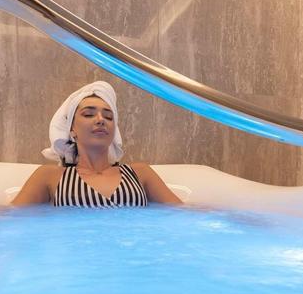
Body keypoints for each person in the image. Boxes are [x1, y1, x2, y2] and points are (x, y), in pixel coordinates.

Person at [11, 81, 182, 207]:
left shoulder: (140, 173)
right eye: (88, 114)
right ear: (71, 129)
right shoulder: (50, 176)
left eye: (108, 117)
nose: (101, 120)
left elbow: (183, 213)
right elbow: (7, 217)